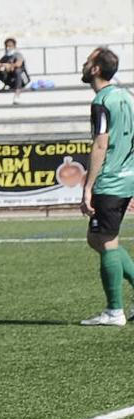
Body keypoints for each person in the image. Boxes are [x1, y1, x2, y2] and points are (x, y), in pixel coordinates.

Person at [78, 47, 134, 326]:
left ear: (96, 69)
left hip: (110, 179)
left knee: (105, 241)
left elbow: (101, 143)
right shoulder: (126, 96)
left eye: (88, 61)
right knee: (98, 239)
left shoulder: (102, 101)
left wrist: (88, 187)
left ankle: (114, 312)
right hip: (127, 177)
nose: (84, 65)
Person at [0, 38, 31, 104]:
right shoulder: (6, 56)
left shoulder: (18, 54)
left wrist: (11, 66)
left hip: (21, 80)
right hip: (10, 80)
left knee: (17, 70)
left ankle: (17, 95)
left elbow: (19, 64)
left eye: (10, 46)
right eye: (7, 46)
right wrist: (3, 65)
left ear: (14, 46)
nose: (8, 48)